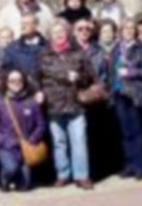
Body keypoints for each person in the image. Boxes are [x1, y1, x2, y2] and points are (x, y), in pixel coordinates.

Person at [39, 20, 96, 190]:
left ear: (67, 34)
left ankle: (82, 176)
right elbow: (45, 71)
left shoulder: (78, 53)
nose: (59, 35)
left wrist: (78, 77)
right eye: (55, 32)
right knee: (59, 142)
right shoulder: (44, 54)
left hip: (75, 103)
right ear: (50, 36)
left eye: (62, 32)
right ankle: (63, 174)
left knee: (79, 140)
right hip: (54, 104)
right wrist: (66, 75)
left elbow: (89, 76)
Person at [72, 18, 120, 180]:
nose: (84, 31)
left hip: (96, 96)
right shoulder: (70, 50)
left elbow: (105, 73)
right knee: (79, 137)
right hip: (75, 97)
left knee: (96, 134)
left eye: (87, 29)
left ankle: (98, 170)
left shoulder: (98, 50)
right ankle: (82, 171)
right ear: (74, 31)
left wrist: (101, 88)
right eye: (80, 29)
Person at [109, 19, 142, 180]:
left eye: (131, 28)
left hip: (135, 94)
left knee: (138, 131)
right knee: (125, 132)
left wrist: (131, 72)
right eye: (125, 28)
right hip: (119, 93)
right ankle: (129, 164)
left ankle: (141, 165)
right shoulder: (116, 50)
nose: (128, 31)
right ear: (120, 31)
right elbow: (111, 72)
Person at [0, 70, 46, 192]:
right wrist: (2, 140)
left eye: (19, 80)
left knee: (25, 186)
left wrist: (33, 139)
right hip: (7, 145)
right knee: (11, 168)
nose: (16, 83)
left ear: (24, 82)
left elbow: (41, 124)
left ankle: (19, 179)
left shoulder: (31, 101)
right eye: (12, 81)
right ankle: (4, 180)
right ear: (7, 83)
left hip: (26, 145)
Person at [1, 15, 48, 100]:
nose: (23, 26)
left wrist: (42, 90)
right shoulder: (12, 49)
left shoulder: (48, 46)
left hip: (48, 96)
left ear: (36, 25)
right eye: (22, 23)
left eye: (26, 23)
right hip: (23, 96)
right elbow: (7, 72)